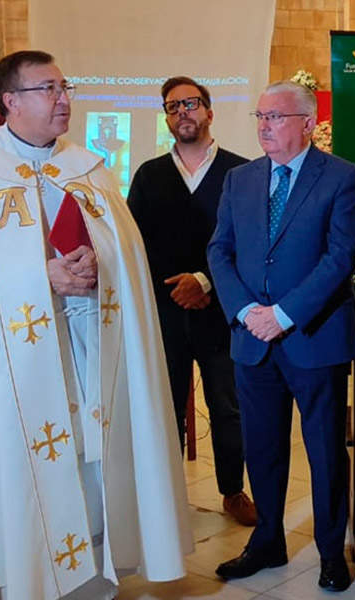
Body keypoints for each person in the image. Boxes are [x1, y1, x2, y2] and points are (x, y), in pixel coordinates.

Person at [0, 50, 193, 600]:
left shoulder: (88, 169)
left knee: (89, 461)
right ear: (10, 101)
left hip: (89, 342)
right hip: (17, 362)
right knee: (30, 463)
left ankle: (94, 578)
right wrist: (41, 275)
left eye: (65, 87)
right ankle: (26, 576)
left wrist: (99, 267)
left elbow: (127, 255)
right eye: (49, 89)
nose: (64, 99)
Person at [207, 80, 355, 593]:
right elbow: (220, 251)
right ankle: (268, 541)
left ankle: (329, 551)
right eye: (259, 117)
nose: (263, 126)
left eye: (274, 117)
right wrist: (248, 310)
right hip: (252, 338)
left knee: (323, 449)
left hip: (313, 337)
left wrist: (286, 314)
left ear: (306, 122)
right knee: (263, 447)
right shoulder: (239, 179)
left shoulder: (343, 178)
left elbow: (339, 258)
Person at [127, 76, 256, 527]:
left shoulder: (242, 174)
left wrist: (204, 282)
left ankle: (233, 490)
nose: (182, 112)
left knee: (228, 405)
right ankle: (165, 496)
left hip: (223, 311)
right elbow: (135, 244)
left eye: (191, 103)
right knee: (164, 404)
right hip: (165, 311)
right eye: (173, 106)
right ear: (166, 117)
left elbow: (251, 244)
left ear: (209, 111)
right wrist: (177, 288)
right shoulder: (148, 175)